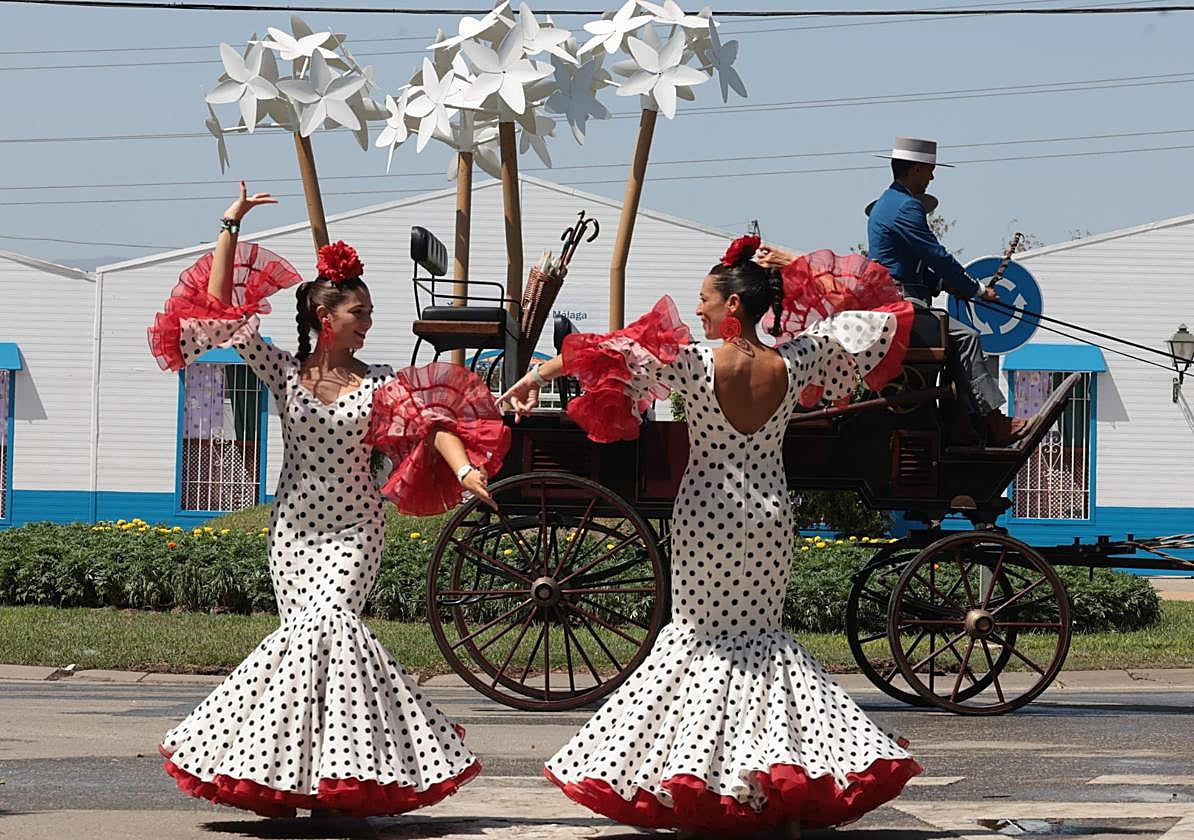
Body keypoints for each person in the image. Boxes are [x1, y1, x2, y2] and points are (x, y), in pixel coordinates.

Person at [499, 237, 923, 834]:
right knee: (761, 641)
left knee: (699, 640)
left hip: (708, 515)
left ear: (731, 309)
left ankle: (698, 775)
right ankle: (771, 770)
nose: (696, 310)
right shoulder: (794, 360)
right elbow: (877, 316)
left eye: (703, 301)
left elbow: (609, 350)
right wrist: (795, 268)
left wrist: (533, 377)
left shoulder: (695, 362)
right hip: (770, 516)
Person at [147, 182, 510, 818]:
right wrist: (229, 225)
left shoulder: (380, 385)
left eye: (369, 314)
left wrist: (467, 471)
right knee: (305, 647)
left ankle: (347, 778)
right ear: (326, 319)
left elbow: (435, 424)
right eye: (359, 314)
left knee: (333, 630)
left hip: (354, 533)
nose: (368, 323)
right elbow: (218, 312)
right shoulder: (281, 369)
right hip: (294, 535)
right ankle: (301, 778)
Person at [865, 136, 1032, 445]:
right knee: (966, 338)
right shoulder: (905, 208)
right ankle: (994, 422)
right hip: (902, 305)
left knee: (954, 338)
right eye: (929, 170)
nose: (932, 177)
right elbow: (936, 257)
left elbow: (913, 267)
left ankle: (962, 422)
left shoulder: (887, 204)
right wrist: (977, 291)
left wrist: (948, 286)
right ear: (916, 169)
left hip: (900, 299)